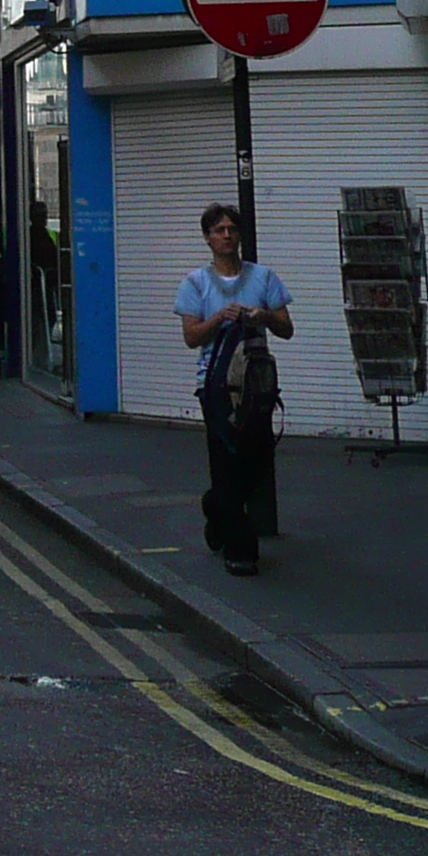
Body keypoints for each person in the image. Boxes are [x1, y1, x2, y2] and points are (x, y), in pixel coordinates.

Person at [176, 200, 293, 576]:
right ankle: (241, 550)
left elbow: (287, 328)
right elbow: (192, 337)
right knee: (226, 460)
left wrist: (265, 316)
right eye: (218, 230)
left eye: (231, 229)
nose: (226, 236)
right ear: (207, 238)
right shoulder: (194, 283)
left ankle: (216, 507)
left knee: (257, 460)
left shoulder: (264, 277)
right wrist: (218, 318)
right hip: (214, 386)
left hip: (256, 386)